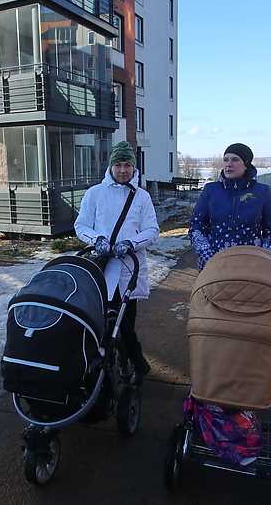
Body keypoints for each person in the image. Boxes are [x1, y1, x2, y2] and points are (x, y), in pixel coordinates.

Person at [75, 141, 159, 384]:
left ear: (134, 168)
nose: (123, 170)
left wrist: (131, 243)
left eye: (128, 165)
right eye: (119, 165)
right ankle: (119, 362)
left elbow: (152, 229)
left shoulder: (141, 197)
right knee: (104, 321)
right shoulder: (95, 194)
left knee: (125, 322)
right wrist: (96, 239)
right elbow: (82, 225)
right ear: (110, 167)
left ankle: (129, 361)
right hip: (101, 268)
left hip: (129, 268)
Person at [189, 142, 271, 271]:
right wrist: (209, 257)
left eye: (235, 160)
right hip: (213, 266)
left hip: (251, 266)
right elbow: (197, 227)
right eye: (225, 160)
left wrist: (264, 259)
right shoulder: (211, 190)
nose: (229, 164)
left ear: (246, 164)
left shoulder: (262, 191)